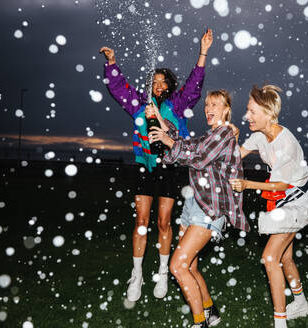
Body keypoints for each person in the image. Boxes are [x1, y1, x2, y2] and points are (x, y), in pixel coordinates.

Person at [99, 29, 213, 302]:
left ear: (170, 86)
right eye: (155, 81)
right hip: (143, 165)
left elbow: (194, 86)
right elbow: (118, 88)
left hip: (169, 169)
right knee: (141, 222)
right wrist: (112, 64)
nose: (158, 86)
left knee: (164, 223)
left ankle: (163, 271)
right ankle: (136, 274)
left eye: (163, 82)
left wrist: (203, 53)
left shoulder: (177, 103)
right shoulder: (139, 102)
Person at [148, 90, 249, 328]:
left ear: (226, 109)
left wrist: (167, 140)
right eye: (206, 104)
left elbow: (199, 157)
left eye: (215, 104)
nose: (208, 108)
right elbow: (186, 145)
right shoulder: (211, 134)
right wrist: (160, 120)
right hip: (195, 204)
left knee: (178, 266)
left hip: (210, 208)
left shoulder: (224, 134)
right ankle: (210, 312)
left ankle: (199, 323)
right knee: (190, 266)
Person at [229, 85, 308, 328]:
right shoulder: (259, 136)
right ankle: (300, 303)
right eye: (247, 111)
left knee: (269, 258)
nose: (247, 116)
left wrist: (246, 184)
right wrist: (232, 137)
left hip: (298, 203)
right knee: (284, 257)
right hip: (284, 201)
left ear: (269, 113)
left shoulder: (285, 144)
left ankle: (280, 322)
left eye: (253, 111)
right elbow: (235, 155)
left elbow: (278, 185)